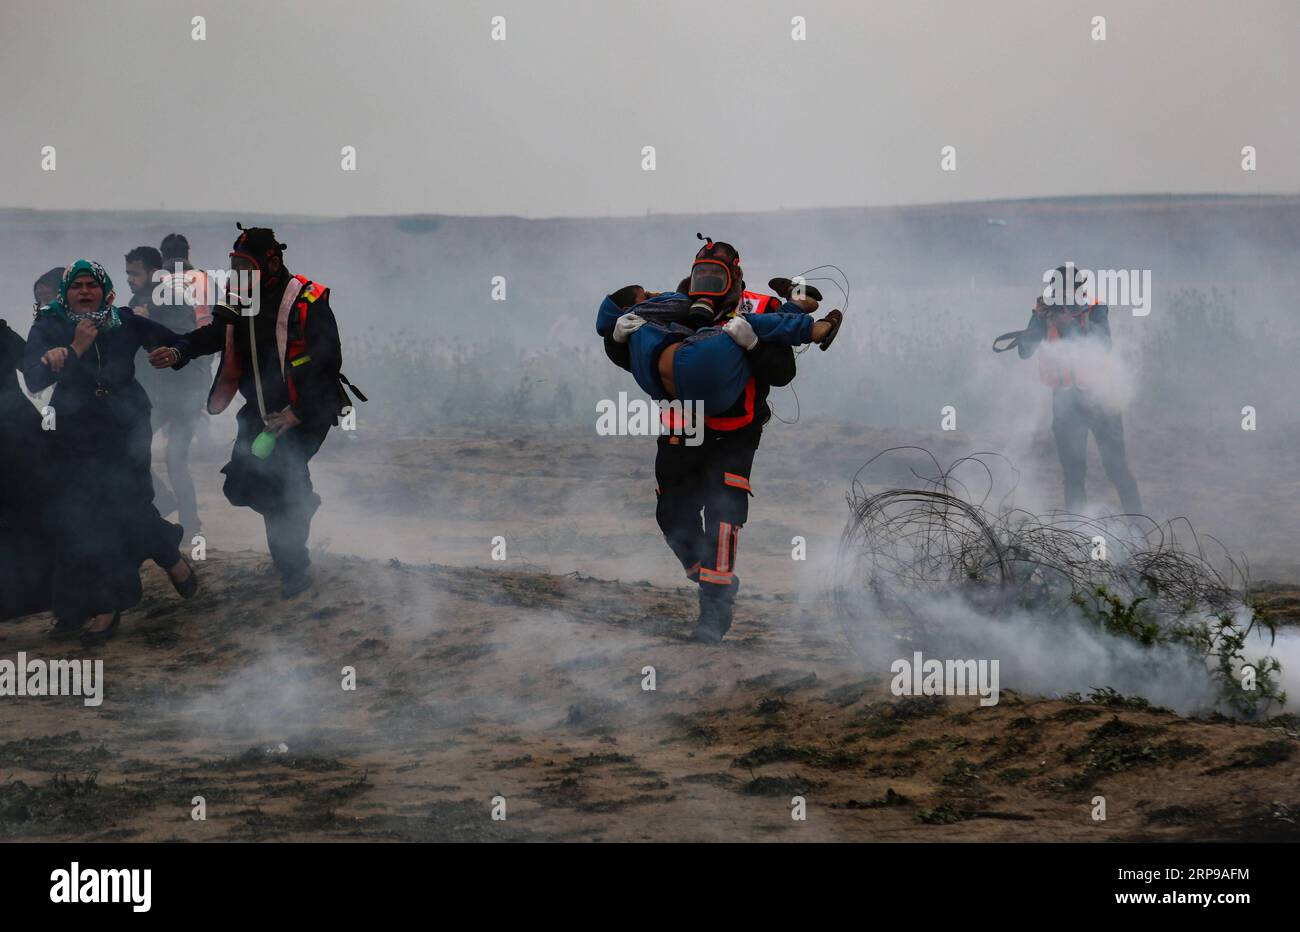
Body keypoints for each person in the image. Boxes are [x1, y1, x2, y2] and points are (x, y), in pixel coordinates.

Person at [597, 238, 842, 643]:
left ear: (736, 277)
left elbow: (782, 374)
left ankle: (714, 610)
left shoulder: (761, 311)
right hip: (682, 428)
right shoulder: (669, 306)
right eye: (702, 273)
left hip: (736, 432)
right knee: (672, 516)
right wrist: (617, 339)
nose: (708, 282)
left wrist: (755, 343)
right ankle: (712, 581)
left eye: (719, 274)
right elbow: (637, 360)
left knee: (724, 518)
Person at [149, 225, 355, 599]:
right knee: (240, 484)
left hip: (307, 412)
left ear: (272, 262)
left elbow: (328, 362)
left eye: (248, 266)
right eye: (237, 266)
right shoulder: (240, 298)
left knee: (280, 479)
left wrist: (297, 413)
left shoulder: (308, 300)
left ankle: (294, 567)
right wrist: (180, 351)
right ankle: (302, 506)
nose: (241, 274)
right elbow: (214, 334)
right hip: (260, 413)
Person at [21, 260, 198, 644]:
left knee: (130, 507)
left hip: (127, 427)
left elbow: (181, 340)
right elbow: (34, 379)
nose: (84, 292)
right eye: (77, 287)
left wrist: (172, 353)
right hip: (76, 433)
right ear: (66, 293)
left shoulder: (124, 320)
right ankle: (108, 605)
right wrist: (73, 349)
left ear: (104, 290)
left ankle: (167, 556)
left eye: (92, 285)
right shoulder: (48, 326)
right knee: (87, 520)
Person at [1015, 264, 1143, 515]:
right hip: (1066, 404)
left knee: (1117, 469)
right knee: (1073, 474)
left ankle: (1139, 525)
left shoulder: (1094, 310)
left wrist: (1069, 326)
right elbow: (1024, 352)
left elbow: (1102, 345)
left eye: (1068, 290)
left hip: (1100, 400)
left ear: (1078, 289)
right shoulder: (1045, 309)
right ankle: (1076, 532)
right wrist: (1037, 322)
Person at [125, 243, 208, 536]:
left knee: (175, 459)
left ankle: (190, 525)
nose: (130, 279)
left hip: (185, 393)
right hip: (157, 395)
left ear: (152, 271)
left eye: (135, 273)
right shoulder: (139, 298)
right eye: (128, 273)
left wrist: (148, 321)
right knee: (130, 450)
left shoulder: (173, 296)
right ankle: (162, 501)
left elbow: (185, 340)